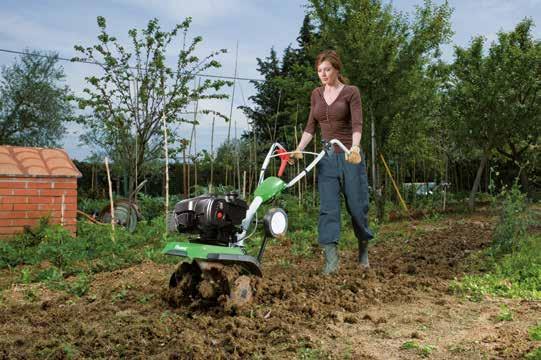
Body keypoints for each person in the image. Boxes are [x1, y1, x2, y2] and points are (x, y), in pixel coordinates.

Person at [290, 49, 373, 275]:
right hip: (326, 159)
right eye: (319, 70)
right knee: (328, 209)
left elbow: (357, 124)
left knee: (357, 207)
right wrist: (299, 149)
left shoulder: (351, 92)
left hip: (349, 156)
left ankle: (363, 248)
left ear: (336, 69)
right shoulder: (316, 94)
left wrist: (355, 147)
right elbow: (310, 126)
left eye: (327, 69)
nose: (323, 74)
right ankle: (331, 261)